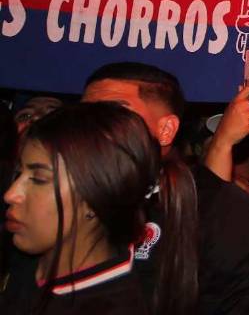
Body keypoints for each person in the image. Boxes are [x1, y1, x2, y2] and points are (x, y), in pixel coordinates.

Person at [83, 62, 249, 315]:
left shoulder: (224, 216)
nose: (89, 128)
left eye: (113, 114)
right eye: (83, 116)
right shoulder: (55, 200)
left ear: (165, 130)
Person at [2, 102, 198, 315]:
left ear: (95, 199)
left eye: (39, 179)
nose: (11, 194)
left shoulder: (110, 305)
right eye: (18, 173)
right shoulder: (21, 261)